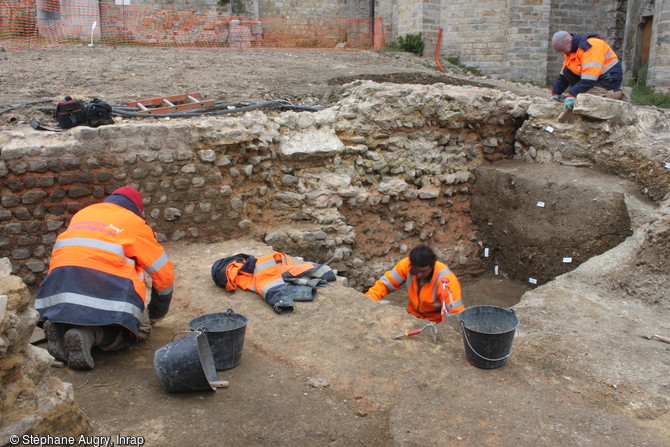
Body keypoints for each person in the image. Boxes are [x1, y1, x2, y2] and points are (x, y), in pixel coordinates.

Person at [35, 186, 174, 370]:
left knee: (78, 310)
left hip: (58, 293)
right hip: (102, 295)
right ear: (138, 210)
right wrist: (157, 312)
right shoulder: (135, 223)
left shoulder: (83, 214)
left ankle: (59, 328)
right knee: (141, 329)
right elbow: (164, 274)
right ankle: (91, 334)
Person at [365, 245, 464, 323]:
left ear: (432, 265)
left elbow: (454, 315)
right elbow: (385, 284)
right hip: (412, 317)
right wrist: (366, 301)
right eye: (416, 271)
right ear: (411, 264)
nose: (419, 275)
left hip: (435, 323)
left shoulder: (447, 281)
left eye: (424, 271)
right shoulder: (406, 264)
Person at [550, 30, 625, 110]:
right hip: (595, 78)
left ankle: (617, 94)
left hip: (609, 78)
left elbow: (589, 79)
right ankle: (583, 94)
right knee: (567, 71)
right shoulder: (570, 51)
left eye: (562, 49)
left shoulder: (590, 46)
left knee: (592, 102)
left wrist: (572, 95)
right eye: (559, 51)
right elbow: (564, 75)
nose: (562, 53)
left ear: (569, 42)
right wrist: (556, 92)